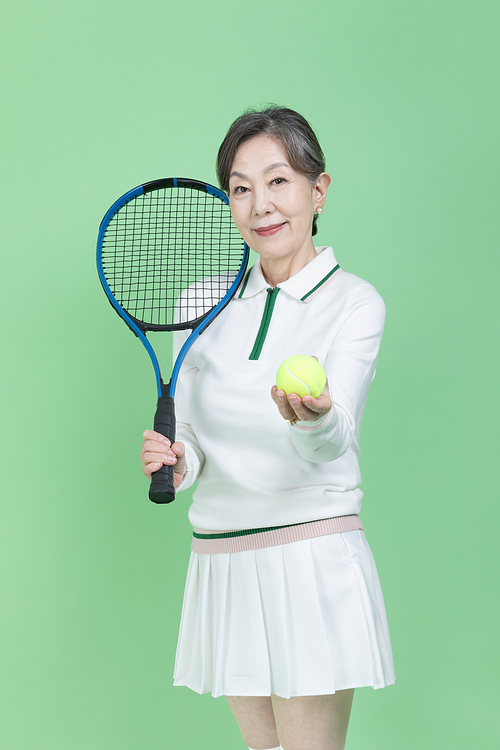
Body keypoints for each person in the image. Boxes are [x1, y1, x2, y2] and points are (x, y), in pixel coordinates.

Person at [140, 106, 395, 750]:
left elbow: (335, 440)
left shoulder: (355, 302)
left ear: (319, 189)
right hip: (223, 557)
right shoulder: (199, 303)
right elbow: (193, 439)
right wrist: (177, 461)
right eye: (241, 187)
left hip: (310, 556)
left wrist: (311, 420)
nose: (261, 205)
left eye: (278, 180)